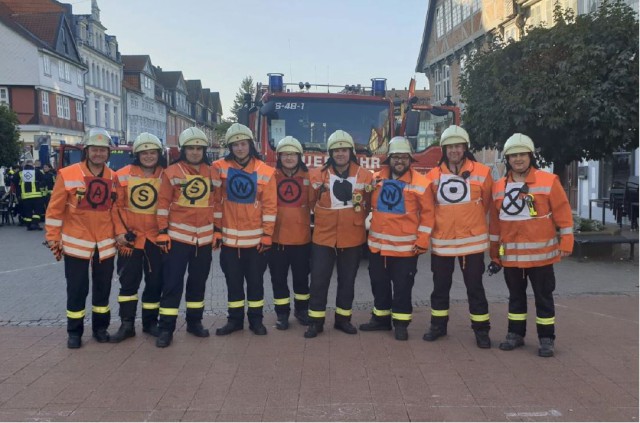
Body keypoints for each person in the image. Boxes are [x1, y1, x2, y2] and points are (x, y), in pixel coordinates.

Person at [489, 133, 574, 357]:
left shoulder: (548, 181)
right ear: (507, 159)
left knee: (543, 298)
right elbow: (496, 223)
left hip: (541, 256)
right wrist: (494, 254)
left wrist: (566, 241)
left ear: (530, 156)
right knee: (515, 298)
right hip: (512, 257)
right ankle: (515, 334)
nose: (518, 159)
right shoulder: (498, 187)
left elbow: (563, 214)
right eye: (513, 155)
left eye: (522, 154)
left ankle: (546, 339)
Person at [44, 128, 117, 348]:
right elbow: (54, 210)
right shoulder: (67, 174)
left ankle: (100, 329)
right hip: (77, 243)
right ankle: (74, 332)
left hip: (104, 244)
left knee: (103, 289)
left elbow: (117, 210)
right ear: (86, 150)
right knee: (77, 289)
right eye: (94, 150)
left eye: (103, 150)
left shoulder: (113, 178)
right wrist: (53, 238)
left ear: (108, 153)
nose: (98, 154)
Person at [423, 125, 494, 348]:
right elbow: (428, 208)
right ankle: (438, 325)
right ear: (444, 149)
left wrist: (467, 221)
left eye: (458, 146)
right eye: (450, 146)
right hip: (442, 243)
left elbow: (487, 204)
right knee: (440, 287)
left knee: (475, 288)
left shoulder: (482, 172)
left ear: (465, 147)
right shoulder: (433, 176)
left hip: (471, 244)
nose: (454, 150)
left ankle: (481, 331)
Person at [359, 136, 431, 341]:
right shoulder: (375, 180)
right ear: (388, 159)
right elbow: (364, 204)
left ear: (410, 160)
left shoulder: (421, 183)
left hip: (406, 249)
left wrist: (423, 240)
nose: (399, 161)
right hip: (377, 246)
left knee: (402, 287)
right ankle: (381, 319)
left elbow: (428, 215)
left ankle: (401, 324)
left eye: (403, 157)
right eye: (395, 157)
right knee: (378, 284)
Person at [304, 130, 373, 338]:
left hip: (352, 237)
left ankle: (343, 320)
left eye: (344, 150)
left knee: (347, 280)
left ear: (350, 152)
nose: (340, 154)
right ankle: (316, 322)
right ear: (330, 153)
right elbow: (310, 201)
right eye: (336, 150)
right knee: (318, 280)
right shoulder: (317, 175)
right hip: (323, 237)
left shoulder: (365, 175)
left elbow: (368, 204)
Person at [212, 123, 277, 336]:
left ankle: (256, 321)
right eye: (235, 145)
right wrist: (216, 230)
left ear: (250, 144)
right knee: (233, 284)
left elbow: (269, 206)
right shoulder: (219, 167)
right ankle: (235, 320)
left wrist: (267, 235)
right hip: (230, 242)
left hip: (256, 242)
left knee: (256, 284)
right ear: (230, 147)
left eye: (243, 144)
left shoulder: (265, 171)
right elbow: (216, 202)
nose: (240, 148)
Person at [155, 127, 217, 348]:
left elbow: (216, 204)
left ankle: (194, 322)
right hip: (178, 238)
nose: (195, 152)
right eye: (190, 148)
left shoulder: (213, 173)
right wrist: (162, 232)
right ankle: (166, 329)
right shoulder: (171, 172)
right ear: (183, 150)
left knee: (197, 283)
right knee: (172, 284)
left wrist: (217, 229)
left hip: (204, 240)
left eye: (199, 148)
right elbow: (162, 205)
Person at [110, 132, 167, 343]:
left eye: (153, 153)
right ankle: (127, 324)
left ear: (158, 154)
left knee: (155, 283)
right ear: (137, 154)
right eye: (144, 153)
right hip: (130, 240)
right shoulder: (123, 174)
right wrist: (119, 233)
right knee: (128, 284)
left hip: (155, 239)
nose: (149, 156)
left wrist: (165, 232)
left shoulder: (166, 175)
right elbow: (115, 207)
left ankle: (151, 323)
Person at [268, 136, 314, 330]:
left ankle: (302, 310)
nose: (289, 158)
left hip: (302, 238)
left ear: (299, 156)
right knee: (278, 279)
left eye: (292, 154)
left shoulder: (309, 177)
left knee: (302, 279)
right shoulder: (271, 176)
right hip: (277, 239)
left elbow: (316, 205)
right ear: (279, 156)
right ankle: (282, 313)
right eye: (285, 154)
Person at [12, 158, 45, 230]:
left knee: (28, 212)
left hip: (25, 196)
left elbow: (14, 181)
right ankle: (35, 223)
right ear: (32, 164)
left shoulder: (20, 173)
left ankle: (29, 226)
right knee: (38, 211)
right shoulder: (36, 171)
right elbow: (43, 180)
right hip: (36, 195)